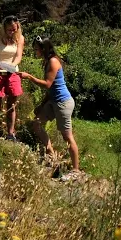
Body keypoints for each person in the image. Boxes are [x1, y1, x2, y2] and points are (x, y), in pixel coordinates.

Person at [24, 37, 80, 173]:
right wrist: (42, 105)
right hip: (53, 101)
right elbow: (51, 88)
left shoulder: (53, 61)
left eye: (36, 49)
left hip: (63, 103)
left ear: (43, 49)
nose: (35, 52)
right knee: (36, 123)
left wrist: (29, 77)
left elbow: (47, 84)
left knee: (67, 136)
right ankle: (50, 152)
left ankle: (76, 170)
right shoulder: (47, 61)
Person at [0, 15, 26, 137]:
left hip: (12, 72)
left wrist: (12, 66)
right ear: (4, 28)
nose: (11, 32)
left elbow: (18, 56)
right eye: (9, 29)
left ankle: (10, 132)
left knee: (12, 105)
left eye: (14, 29)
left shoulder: (19, 38)